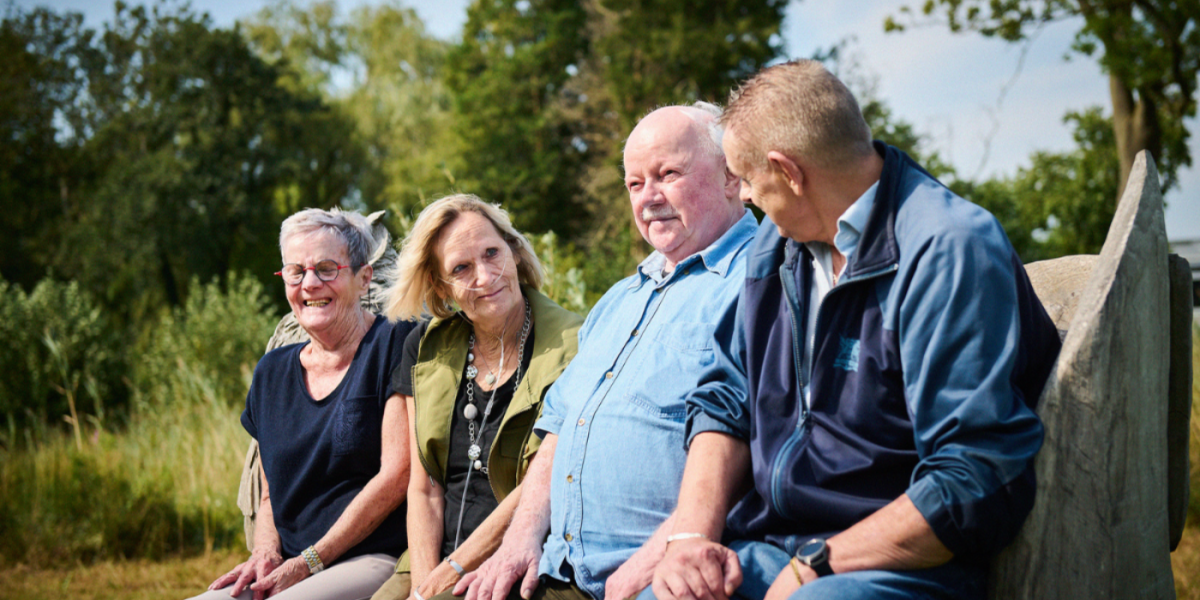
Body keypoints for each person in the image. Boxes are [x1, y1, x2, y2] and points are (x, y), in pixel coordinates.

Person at [652, 59, 1062, 600]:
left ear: (789, 172)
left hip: (905, 564)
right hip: (774, 545)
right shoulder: (774, 246)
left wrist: (815, 566)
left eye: (748, 179)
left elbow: (969, 477)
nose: (746, 196)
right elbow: (727, 397)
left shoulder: (948, 248)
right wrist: (689, 540)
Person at [448, 102, 758, 600]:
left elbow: (754, 451)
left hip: (659, 577)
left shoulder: (759, 282)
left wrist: (645, 568)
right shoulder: (620, 297)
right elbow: (559, 428)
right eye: (634, 183)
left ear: (730, 176)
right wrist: (520, 539)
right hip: (551, 571)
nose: (648, 198)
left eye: (668, 174)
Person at [369, 195, 584, 600]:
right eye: (461, 268)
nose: (485, 276)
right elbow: (425, 487)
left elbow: (539, 486)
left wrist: (448, 575)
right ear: (440, 286)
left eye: (492, 253)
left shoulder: (575, 344)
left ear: (515, 253)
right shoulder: (425, 346)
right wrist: (422, 585)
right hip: (430, 559)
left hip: (523, 557)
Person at [193, 208, 415, 600]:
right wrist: (264, 552)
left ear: (364, 278)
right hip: (292, 563)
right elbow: (268, 495)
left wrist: (310, 561)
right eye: (296, 272)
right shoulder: (271, 372)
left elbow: (396, 475)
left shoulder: (395, 344)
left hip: (374, 559)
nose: (310, 283)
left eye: (327, 268)